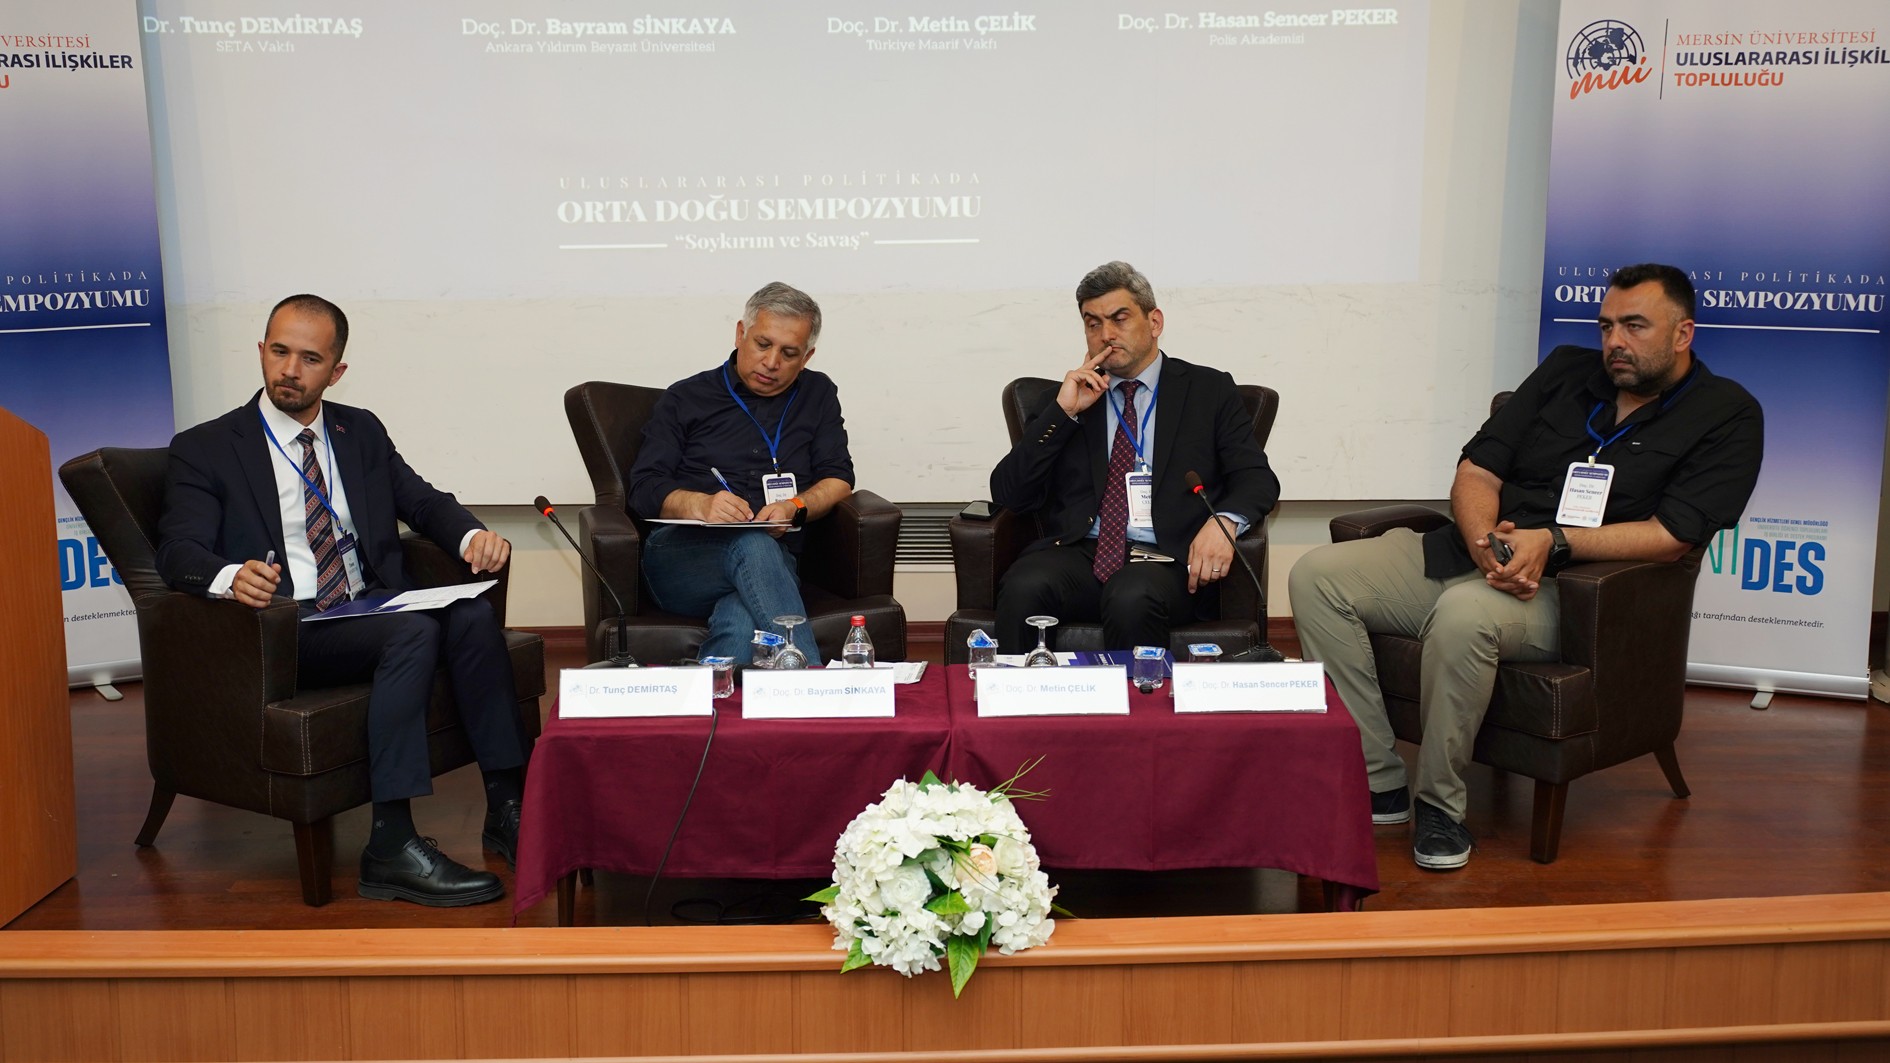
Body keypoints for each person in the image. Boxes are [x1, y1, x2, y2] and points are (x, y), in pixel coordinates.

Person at [1289, 263, 1764, 871]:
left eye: (1634, 326)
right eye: (1606, 326)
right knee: (1317, 575)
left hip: (1573, 591)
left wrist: (1555, 543)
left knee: (1464, 614)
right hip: (1480, 551)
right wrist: (1482, 537)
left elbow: (1672, 536)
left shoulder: (1727, 413)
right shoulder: (1565, 371)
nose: (1615, 342)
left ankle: (1439, 804)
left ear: (1682, 333)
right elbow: (1477, 469)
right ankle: (1379, 779)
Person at [157, 294, 529, 907]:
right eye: (279, 352)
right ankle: (391, 843)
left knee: (470, 612)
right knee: (413, 631)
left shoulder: (359, 430)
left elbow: (421, 499)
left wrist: (472, 537)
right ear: (261, 351)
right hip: (290, 625)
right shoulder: (208, 446)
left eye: (310, 359)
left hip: (366, 605)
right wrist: (228, 576)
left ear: (336, 371)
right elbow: (177, 550)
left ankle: (507, 807)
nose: (289, 370)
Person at [989, 260, 1280, 653]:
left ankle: (1140, 695)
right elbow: (1009, 493)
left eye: (1119, 319)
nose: (1106, 335)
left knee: (1131, 595)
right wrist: (1063, 413)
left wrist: (1223, 522)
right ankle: (1020, 693)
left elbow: (1256, 478)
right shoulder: (1066, 401)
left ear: (1154, 322)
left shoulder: (1208, 391)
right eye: (1093, 323)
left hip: (1167, 559)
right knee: (1026, 584)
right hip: (1081, 552)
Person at [628, 281, 854, 664]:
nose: (772, 362)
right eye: (763, 344)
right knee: (752, 544)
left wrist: (794, 507)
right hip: (681, 558)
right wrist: (700, 505)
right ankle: (811, 680)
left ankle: (708, 694)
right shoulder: (686, 397)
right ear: (740, 334)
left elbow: (839, 478)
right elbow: (644, 487)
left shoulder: (817, 394)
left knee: (741, 614)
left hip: (774, 563)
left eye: (789, 353)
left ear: (807, 356)